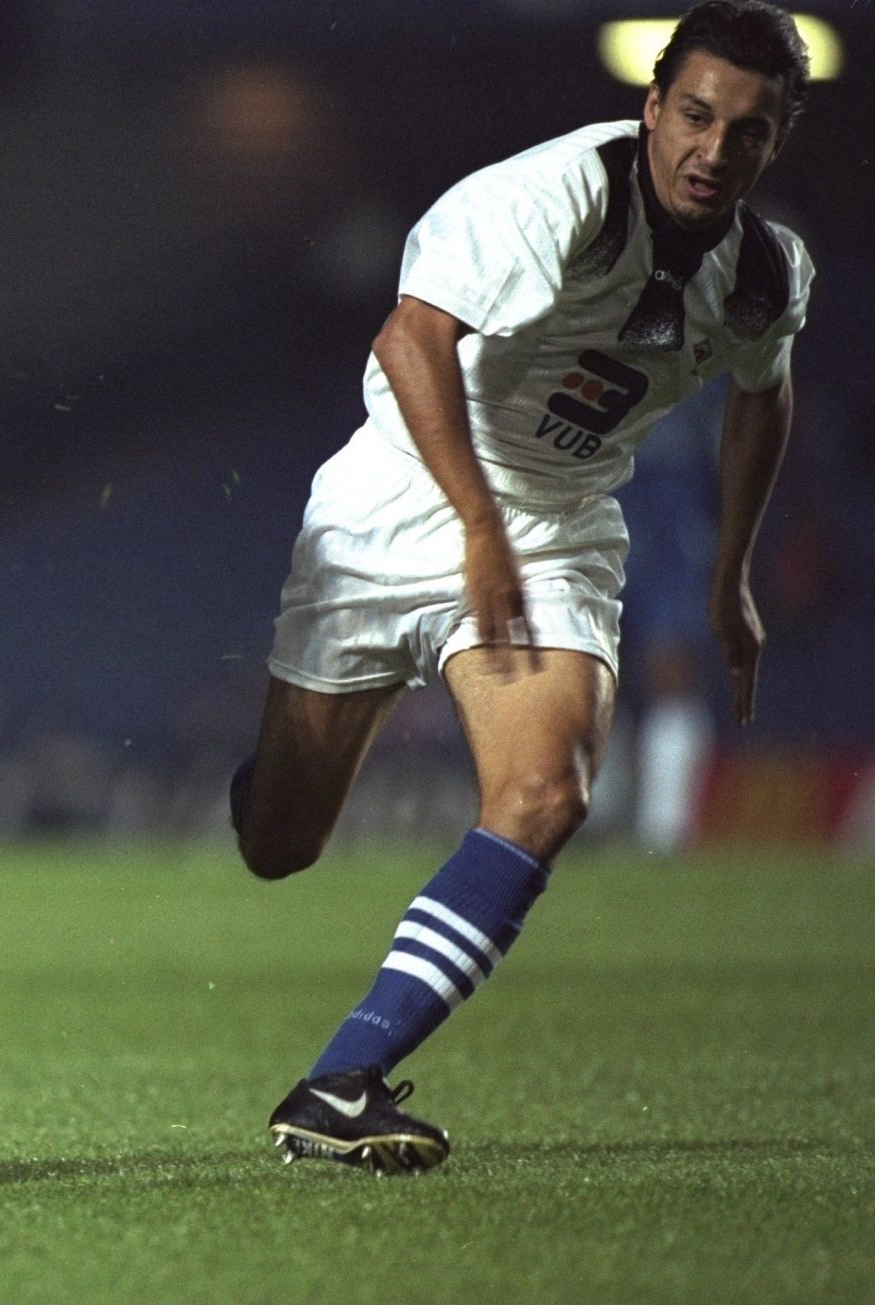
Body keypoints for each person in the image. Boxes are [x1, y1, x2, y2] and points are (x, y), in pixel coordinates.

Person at [229, 1, 811, 1172]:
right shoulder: (554, 198)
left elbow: (764, 393)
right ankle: (296, 750)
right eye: (694, 116)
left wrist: (733, 572)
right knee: (279, 840)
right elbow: (409, 342)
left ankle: (343, 1080)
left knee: (545, 795)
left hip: (556, 523)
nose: (712, 149)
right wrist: (475, 529)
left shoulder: (763, 272)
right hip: (403, 491)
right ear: (653, 108)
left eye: (745, 132)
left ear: (774, 142)